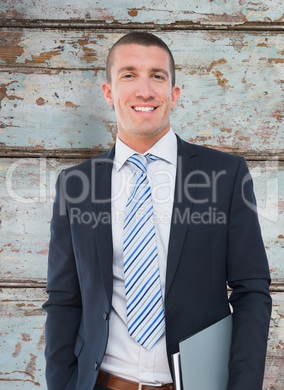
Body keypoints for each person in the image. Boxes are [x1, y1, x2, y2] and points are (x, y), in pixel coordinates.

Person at [43, 32, 272, 390]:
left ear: (174, 94)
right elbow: (63, 299)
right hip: (104, 382)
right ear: (109, 92)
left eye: (158, 76)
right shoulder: (75, 185)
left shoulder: (224, 175)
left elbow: (251, 290)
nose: (145, 91)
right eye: (129, 75)